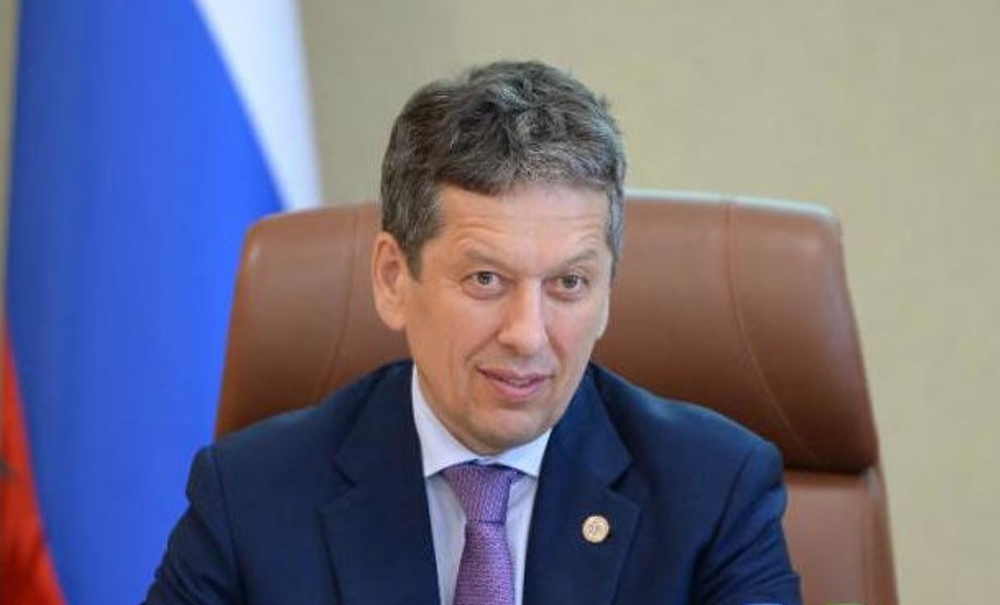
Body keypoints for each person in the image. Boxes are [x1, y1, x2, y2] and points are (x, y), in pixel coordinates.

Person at [144, 60, 801, 605]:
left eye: (569, 283)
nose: (528, 334)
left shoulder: (714, 491)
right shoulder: (250, 496)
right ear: (393, 279)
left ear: (608, 293)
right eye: (486, 279)